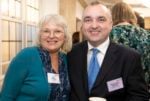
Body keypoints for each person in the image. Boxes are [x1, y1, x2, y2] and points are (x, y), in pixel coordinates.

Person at [67, 1, 149, 101]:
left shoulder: (129, 58)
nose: (94, 25)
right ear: (82, 25)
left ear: (111, 24)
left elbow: (139, 97)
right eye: (88, 20)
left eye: (101, 20)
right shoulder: (70, 53)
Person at [0, 14, 72, 101]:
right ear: (39, 35)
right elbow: (6, 96)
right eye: (46, 31)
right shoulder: (26, 56)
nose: (52, 36)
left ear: (65, 37)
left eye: (57, 31)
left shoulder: (66, 59)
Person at [110, 2, 150, 88]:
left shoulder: (108, 35)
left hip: (115, 88)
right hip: (142, 87)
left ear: (112, 16)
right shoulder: (147, 35)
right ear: (132, 15)